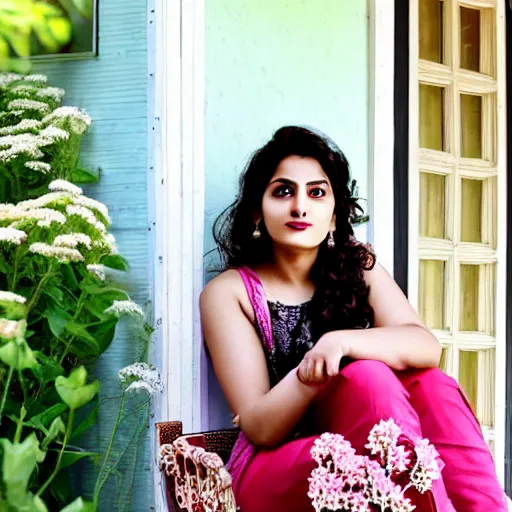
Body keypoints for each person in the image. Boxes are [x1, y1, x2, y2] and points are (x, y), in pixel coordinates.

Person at [200, 126, 506, 511]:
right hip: (278, 465)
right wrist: (314, 372)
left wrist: (341, 343)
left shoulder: (356, 264)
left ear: (333, 216)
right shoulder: (231, 292)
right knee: (368, 376)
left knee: (433, 387)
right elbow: (260, 426)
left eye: (316, 192)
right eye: (283, 191)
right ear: (257, 212)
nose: (299, 207)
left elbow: (426, 346)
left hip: (364, 446)